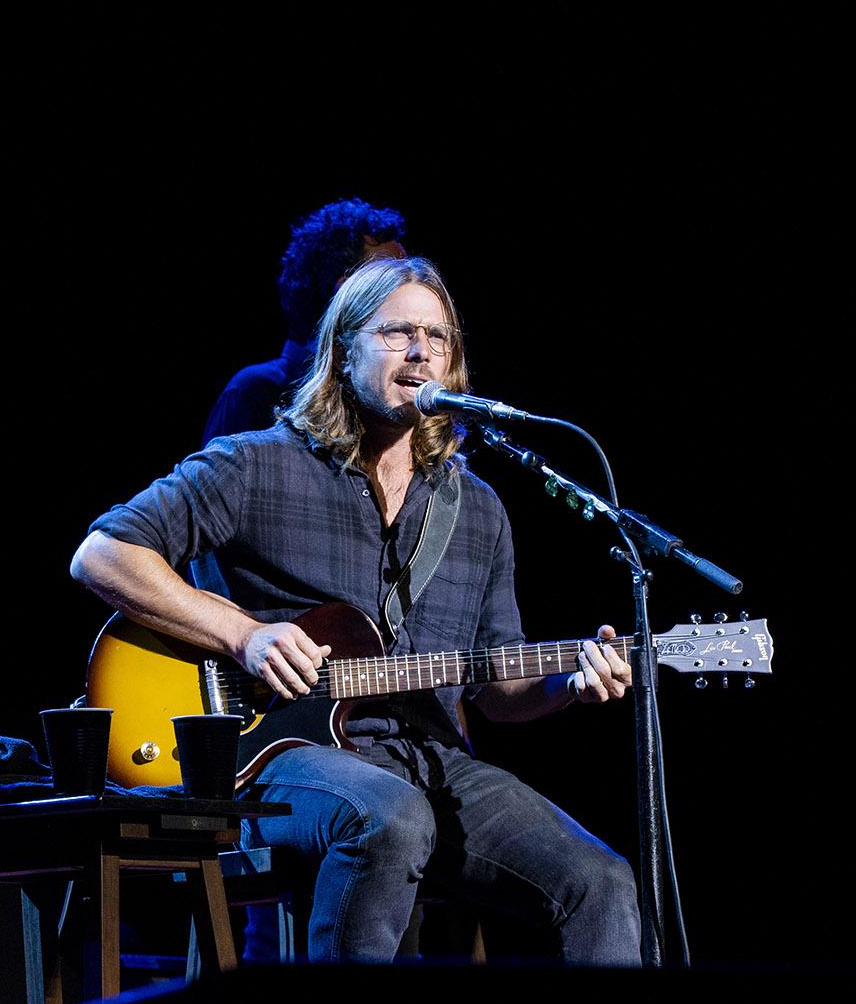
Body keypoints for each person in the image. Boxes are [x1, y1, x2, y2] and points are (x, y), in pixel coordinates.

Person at [72, 255, 640, 964]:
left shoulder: (479, 509)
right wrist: (245, 636)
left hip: (429, 759)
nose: (421, 351)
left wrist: (570, 686)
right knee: (389, 818)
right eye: (398, 332)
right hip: (279, 756)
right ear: (343, 351)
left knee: (602, 883)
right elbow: (103, 553)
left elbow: (498, 693)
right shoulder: (254, 465)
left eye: (439, 337)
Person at [201, 198, 408, 443]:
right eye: (392, 277)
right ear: (345, 291)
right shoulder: (255, 392)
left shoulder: (380, 393)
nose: (411, 286)